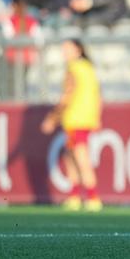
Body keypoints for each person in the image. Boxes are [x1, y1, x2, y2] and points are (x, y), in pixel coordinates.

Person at [40, 39, 103, 212]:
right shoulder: (88, 68)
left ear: (78, 50)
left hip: (76, 119)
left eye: (67, 49)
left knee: (81, 158)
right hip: (86, 118)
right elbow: (97, 95)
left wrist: (52, 118)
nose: (64, 52)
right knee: (70, 156)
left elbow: (67, 94)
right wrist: (97, 117)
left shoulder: (73, 68)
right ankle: (75, 197)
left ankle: (93, 198)